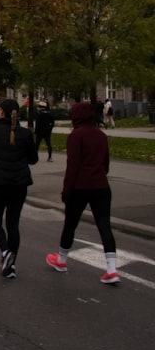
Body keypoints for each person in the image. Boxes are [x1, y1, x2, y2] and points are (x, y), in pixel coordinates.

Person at [45, 101, 121, 284]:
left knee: (70, 224)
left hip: (80, 186)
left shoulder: (76, 136)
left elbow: (72, 167)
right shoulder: (101, 135)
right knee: (104, 226)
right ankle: (112, 269)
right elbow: (106, 164)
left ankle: (62, 260)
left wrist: (66, 190)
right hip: (101, 186)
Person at [0, 99, 39, 279]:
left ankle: (5, 252)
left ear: (1, 112)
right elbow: (33, 159)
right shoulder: (25, 134)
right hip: (19, 184)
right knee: (13, 223)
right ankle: (11, 266)